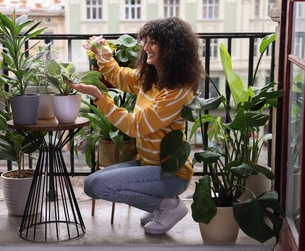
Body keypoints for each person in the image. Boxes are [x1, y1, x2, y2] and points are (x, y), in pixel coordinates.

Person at [67, 17, 204, 234]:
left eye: (153, 42)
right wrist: (102, 52)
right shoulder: (152, 78)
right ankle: (164, 206)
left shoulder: (177, 91)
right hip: (147, 164)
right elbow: (119, 76)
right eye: (145, 41)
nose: (146, 47)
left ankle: (168, 207)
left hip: (171, 173)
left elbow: (136, 126)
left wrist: (99, 97)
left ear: (171, 49)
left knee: (102, 186)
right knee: (91, 184)